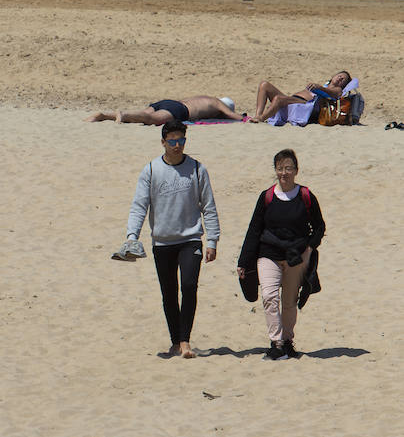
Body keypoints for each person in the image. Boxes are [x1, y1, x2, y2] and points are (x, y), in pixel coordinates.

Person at [125, 120, 220, 358]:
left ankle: (185, 340)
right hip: (163, 242)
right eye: (172, 141)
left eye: (181, 141)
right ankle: (175, 341)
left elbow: (208, 207)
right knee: (169, 292)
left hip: (191, 239)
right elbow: (139, 206)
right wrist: (131, 236)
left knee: (189, 286)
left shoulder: (198, 169)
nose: (177, 146)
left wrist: (212, 241)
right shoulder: (151, 170)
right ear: (163, 142)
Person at [237, 149, 325, 360]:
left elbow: (319, 227)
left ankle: (287, 341)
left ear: (296, 170)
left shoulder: (305, 196)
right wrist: (243, 261)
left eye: (288, 168)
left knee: (289, 301)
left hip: (296, 257)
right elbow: (254, 230)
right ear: (275, 170)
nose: (284, 173)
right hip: (268, 254)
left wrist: (309, 249)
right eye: (280, 168)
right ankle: (276, 342)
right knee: (269, 296)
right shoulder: (266, 197)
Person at [251, 71, 351, 123]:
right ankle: (257, 115)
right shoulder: (324, 85)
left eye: (343, 79)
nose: (340, 78)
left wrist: (320, 88)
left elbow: (334, 94)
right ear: (334, 76)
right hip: (293, 99)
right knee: (264, 85)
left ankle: (261, 118)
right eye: (340, 75)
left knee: (278, 99)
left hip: (304, 103)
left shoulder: (338, 90)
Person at [85, 96, 243, 124]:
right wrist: (245, 119)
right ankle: (123, 114)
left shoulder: (205, 97)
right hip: (181, 110)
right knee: (153, 119)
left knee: (144, 114)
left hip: (169, 102)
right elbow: (231, 115)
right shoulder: (217, 103)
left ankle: (104, 116)